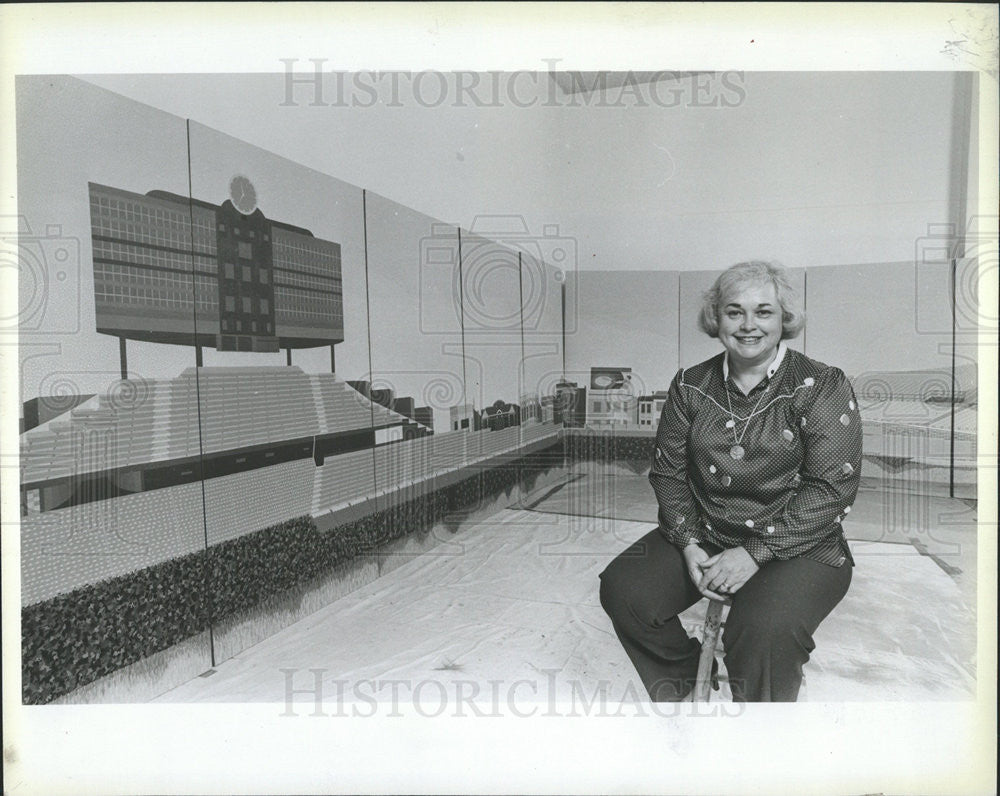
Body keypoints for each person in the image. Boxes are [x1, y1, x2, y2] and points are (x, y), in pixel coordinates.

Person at [599, 260, 862, 702]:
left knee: (761, 630)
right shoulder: (690, 384)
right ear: (716, 319)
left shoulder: (822, 384)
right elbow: (669, 472)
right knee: (625, 592)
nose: (748, 325)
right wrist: (687, 544)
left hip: (801, 545)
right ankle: (685, 685)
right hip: (709, 532)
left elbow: (830, 490)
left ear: (784, 319)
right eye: (734, 311)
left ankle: (758, 732)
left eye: (764, 312)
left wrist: (753, 554)